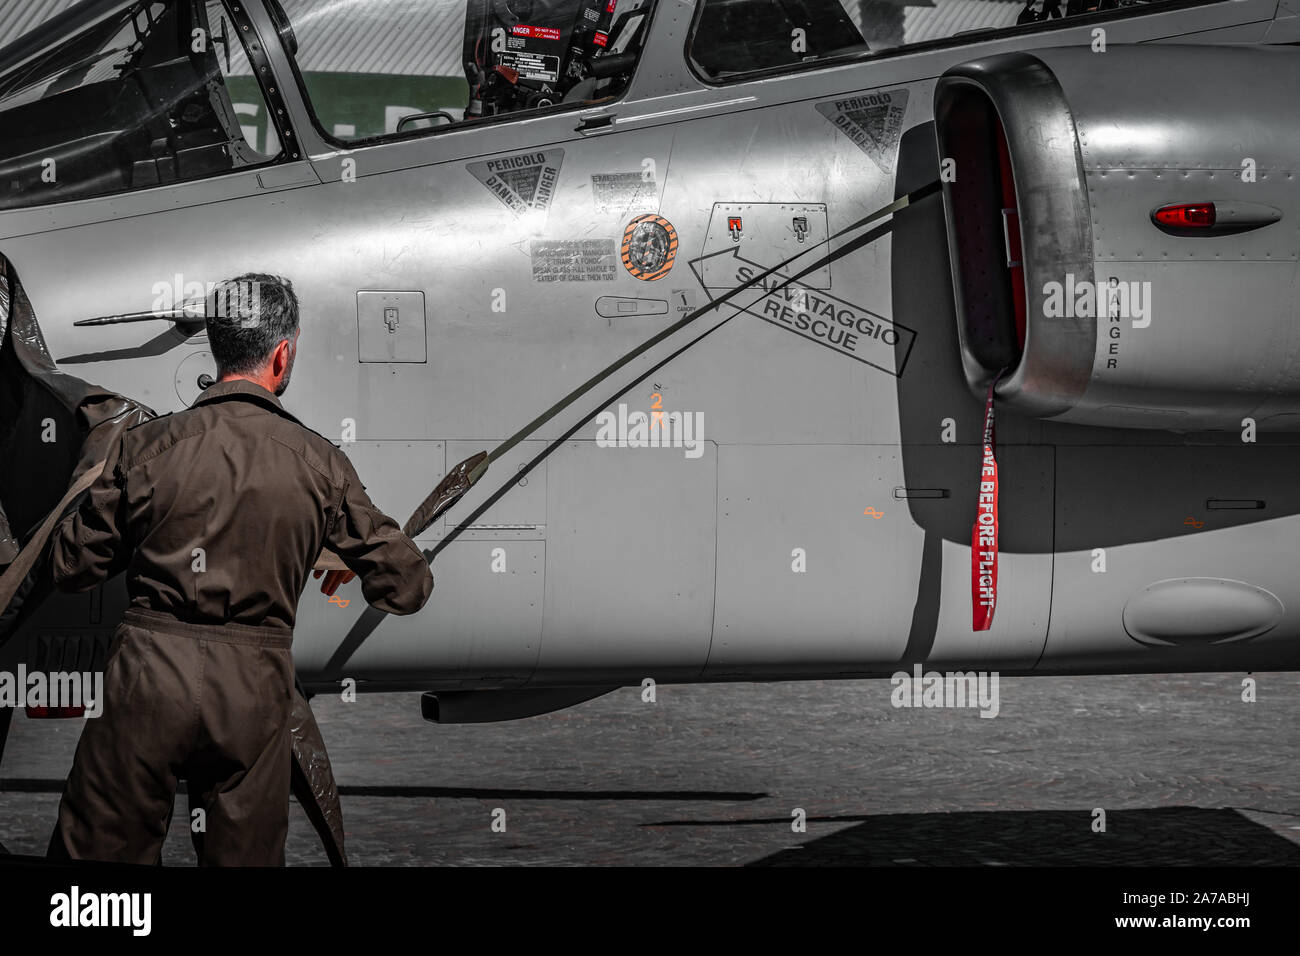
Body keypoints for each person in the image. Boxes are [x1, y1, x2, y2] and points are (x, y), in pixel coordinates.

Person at [44, 273, 432, 865]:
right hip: (253, 691)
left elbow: (71, 564)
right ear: (282, 354)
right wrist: (342, 560)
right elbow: (407, 586)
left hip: (148, 677)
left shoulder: (148, 447)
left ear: (217, 347)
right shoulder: (320, 463)